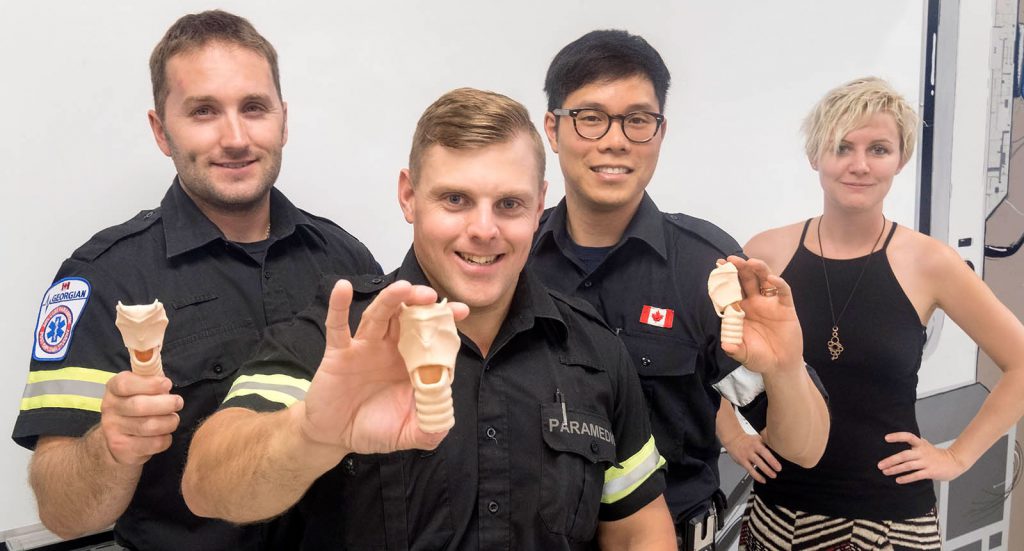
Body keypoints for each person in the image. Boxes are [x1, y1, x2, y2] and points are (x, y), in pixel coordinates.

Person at [180, 87, 741, 549]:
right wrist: (310, 435)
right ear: (409, 196)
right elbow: (209, 487)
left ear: (539, 203)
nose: (483, 229)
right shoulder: (339, 340)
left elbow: (637, 530)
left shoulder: (594, 351)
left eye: (509, 204)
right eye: (455, 200)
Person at [12, 10, 379, 550]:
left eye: (254, 108)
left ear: (283, 119)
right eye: (203, 111)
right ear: (162, 131)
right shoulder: (105, 279)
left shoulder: (347, 259)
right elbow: (62, 512)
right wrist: (109, 448)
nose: (235, 137)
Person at [529, 29, 830, 548]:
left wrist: (783, 367)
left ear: (660, 132)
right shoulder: (514, 260)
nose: (615, 139)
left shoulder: (703, 269)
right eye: (591, 117)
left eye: (638, 120)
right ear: (553, 130)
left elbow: (804, 447)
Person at [738, 77, 1024, 550]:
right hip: (777, 512)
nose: (859, 165)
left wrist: (956, 457)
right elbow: (712, 361)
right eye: (842, 147)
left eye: (879, 149)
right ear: (815, 157)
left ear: (901, 159)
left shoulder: (931, 263)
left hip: (889, 524)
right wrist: (733, 435)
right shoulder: (766, 252)